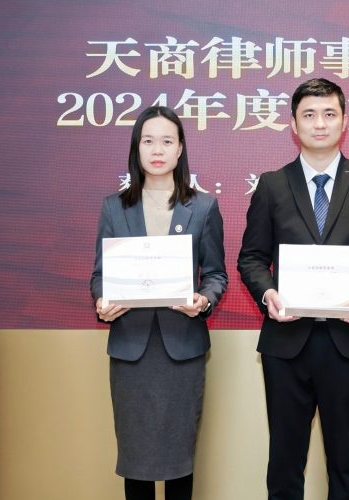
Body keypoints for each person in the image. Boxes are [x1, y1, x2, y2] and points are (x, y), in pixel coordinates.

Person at [238, 77, 349, 500]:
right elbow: (251, 258)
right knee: (284, 464)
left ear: (345, 121)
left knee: (346, 465)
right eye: (309, 115)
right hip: (286, 343)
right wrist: (268, 293)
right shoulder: (272, 184)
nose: (320, 123)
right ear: (294, 125)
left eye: (329, 114)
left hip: (348, 342)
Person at [90, 106, 227, 500]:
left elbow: (216, 275)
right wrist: (102, 300)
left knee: (179, 459)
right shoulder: (114, 207)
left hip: (181, 350)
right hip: (131, 352)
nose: (157, 150)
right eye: (148, 140)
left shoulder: (203, 207)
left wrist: (203, 300)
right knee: (136, 461)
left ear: (180, 149)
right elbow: (99, 276)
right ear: (136, 147)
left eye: (167, 141)